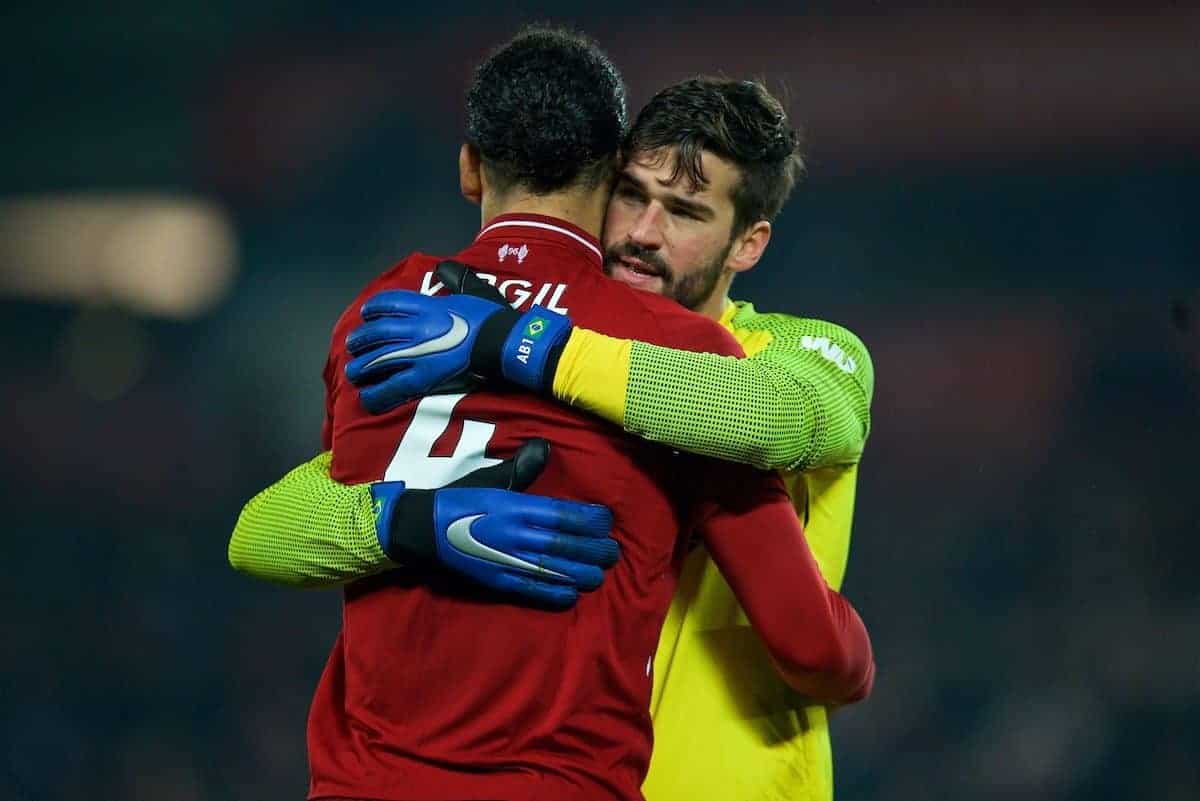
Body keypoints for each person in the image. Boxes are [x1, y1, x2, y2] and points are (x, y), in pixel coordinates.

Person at [231, 26, 873, 801]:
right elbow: (268, 523)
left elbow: (772, 414)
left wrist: (517, 339)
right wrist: (417, 519)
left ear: (749, 243)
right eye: (632, 195)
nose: (642, 232)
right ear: (603, 179)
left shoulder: (795, 354)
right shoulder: (491, 330)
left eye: (685, 211)